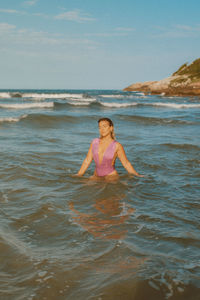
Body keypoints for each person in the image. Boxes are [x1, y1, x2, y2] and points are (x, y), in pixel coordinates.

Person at [76, 117, 143, 178]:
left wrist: (137, 175)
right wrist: (78, 175)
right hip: (96, 176)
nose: (102, 129)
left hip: (111, 177)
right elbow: (87, 161)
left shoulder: (117, 145)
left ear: (111, 128)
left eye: (104, 126)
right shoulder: (94, 142)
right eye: (100, 127)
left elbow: (126, 163)